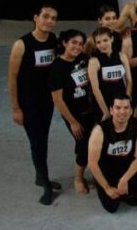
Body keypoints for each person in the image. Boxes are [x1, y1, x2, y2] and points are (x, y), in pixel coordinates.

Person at [7, 4, 60, 205]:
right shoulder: (22, 44)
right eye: (45, 16)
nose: (49, 21)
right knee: (37, 142)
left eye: (53, 18)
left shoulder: (53, 40)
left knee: (42, 139)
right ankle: (45, 183)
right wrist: (15, 108)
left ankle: (40, 175)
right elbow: (12, 78)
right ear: (35, 18)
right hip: (28, 103)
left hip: (47, 101)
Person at [49, 29, 94, 194]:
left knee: (94, 143)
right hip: (75, 116)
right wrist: (73, 123)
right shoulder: (57, 67)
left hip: (91, 111)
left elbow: (92, 40)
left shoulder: (83, 58)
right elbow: (57, 100)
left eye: (80, 44)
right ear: (64, 43)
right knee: (84, 147)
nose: (77, 47)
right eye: (73, 43)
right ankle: (78, 178)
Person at [87, 94, 137, 213]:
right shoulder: (99, 130)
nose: (122, 112)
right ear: (111, 110)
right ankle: (112, 188)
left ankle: (127, 190)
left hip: (126, 167)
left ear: (131, 111)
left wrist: (124, 180)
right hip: (107, 171)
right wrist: (107, 188)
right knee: (111, 207)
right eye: (118, 108)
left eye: (126, 108)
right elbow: (92, 164)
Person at [88, 27, 132, 120]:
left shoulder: (122, 56)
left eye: (105, 40)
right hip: (103, 105)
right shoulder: (94, 61)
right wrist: (106, 112)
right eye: (98, 42)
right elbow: (95, 90)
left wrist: (126, 103)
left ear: (111, 39)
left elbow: (129, 81)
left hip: (121, 103)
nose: (102, 45)